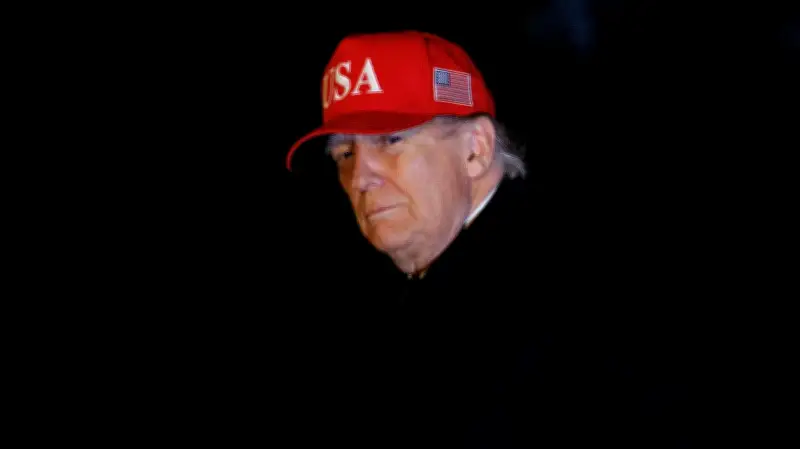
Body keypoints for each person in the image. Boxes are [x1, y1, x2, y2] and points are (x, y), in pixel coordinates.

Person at [286, 30, 693, 448]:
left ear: (475, 150)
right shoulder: (396, 296)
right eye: (345, 154)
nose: (360, 177)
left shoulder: (574, 300)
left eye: (391, 139)